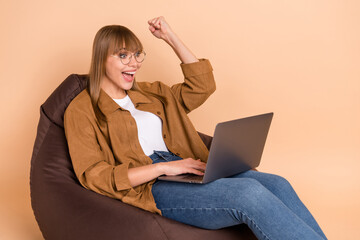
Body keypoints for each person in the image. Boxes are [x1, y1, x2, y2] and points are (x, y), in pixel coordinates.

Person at [64, 16, 327, 240]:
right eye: (123, 56)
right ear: (101, 59)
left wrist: (170, 36)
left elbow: (202, 86)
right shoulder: (82, 109)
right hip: (152, 185)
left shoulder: (153, 93)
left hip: (186, 167)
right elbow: (94, 175)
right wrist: (164, 167)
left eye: (137, 54)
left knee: (278, 184)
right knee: (249, 194)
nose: (133, 63)